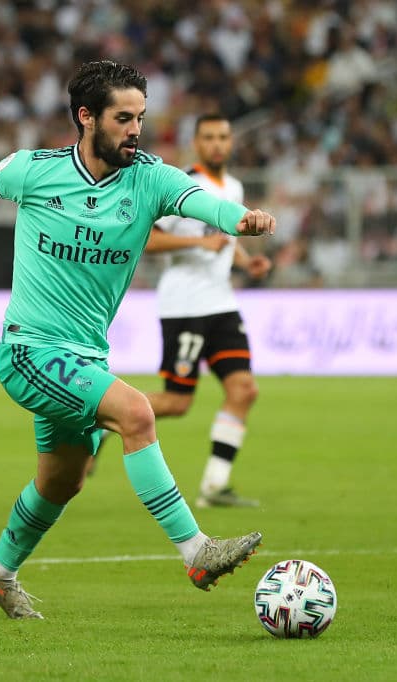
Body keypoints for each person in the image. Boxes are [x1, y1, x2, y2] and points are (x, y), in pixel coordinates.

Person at [0, 61, 275, 620]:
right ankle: (197, 553)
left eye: (141, 117)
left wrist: (239, 219)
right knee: (136, 412)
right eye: (123, 118)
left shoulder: (149, 178)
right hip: (28, 351)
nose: (136, 129)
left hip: (84, 357)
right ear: (86, 117)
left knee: (61, 483)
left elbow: (202, 202)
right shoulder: (36, 171)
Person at [100, 113, 273, 508]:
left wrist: (246, 263)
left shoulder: (233, 187)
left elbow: (222, 238)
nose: (216, 144)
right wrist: (195, 246)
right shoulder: (183, 187)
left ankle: (215, 485)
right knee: (178, 403)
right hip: (185, 306)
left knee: (244, 390)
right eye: (208, 137)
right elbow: (144, 238)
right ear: (196, 144)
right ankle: (110, 421)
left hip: (222, 303)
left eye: (223, 136)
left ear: (231, 143)